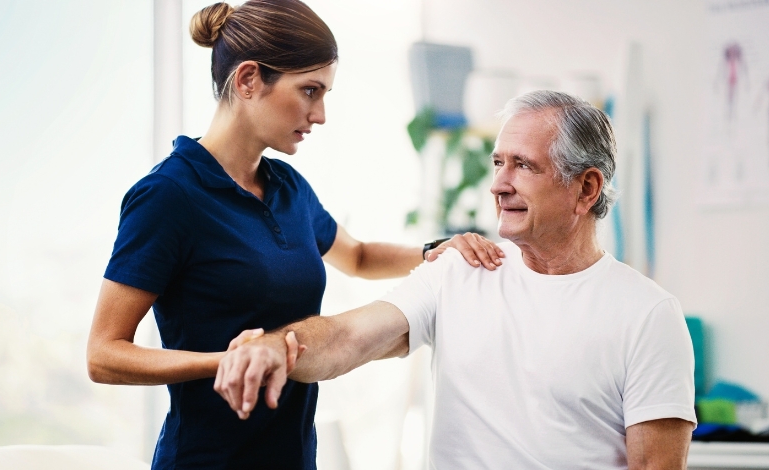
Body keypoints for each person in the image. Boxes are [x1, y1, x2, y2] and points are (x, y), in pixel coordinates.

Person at [85, 1, 503, 469]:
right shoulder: (169, 195)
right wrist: (228, 360)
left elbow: (359, 257)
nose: (320, 114)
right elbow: (104, 354)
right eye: (309, 90)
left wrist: (434, 251)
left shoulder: (288, 187)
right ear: (247, 80)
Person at [216, 90, 698, 469]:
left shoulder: (647, 315)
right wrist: (277, 346)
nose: (498, 183)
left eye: (523, 166)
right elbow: (347, 338)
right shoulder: (462, 271)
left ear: (586, 188)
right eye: (497, 162)